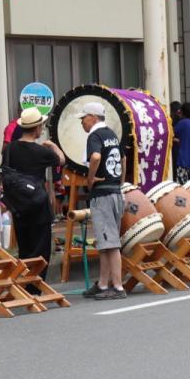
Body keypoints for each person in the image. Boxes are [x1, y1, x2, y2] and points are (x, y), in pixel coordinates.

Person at [3, 108, 64, 274]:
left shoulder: (10, 149)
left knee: (25, 248)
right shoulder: (42, 151)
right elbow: (61, 160)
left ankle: (25, 287)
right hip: (38, 205)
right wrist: (52, 145)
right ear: (37, 128)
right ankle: (35, 287)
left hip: (19, 206)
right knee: (40, 250)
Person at [79, 101, 126, 300]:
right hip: (114, 191)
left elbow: (96, 157)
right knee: (105, 241)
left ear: (93, 117)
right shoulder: (111, 134)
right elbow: (123, 158)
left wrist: (90, 179)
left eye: (83, 118)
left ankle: (117, 286)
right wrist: (120, 182)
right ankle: (102, 283)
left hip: (103, 194)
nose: (82, 122)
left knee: (111, 242)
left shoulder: (95, 135)